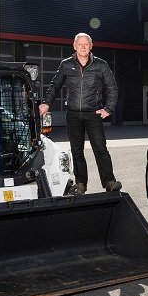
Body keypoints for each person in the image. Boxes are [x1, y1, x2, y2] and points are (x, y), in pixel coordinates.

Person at [39, 32, 122, 194]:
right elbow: (54, 85)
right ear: (74, 46)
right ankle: (80, 183)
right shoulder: (66, 65)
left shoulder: (101, 65)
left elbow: (112, 88)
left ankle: (109, 181)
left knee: (100, 148)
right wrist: (46, 103)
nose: (83, 47)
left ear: (91, 46)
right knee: (77, 151)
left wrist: (108, 109)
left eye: (86, 44)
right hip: (73, 115)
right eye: (80, 44)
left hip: (93, 114)